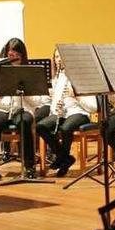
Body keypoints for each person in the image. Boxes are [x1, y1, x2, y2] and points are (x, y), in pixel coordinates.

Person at [0, 38, 41, 180]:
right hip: (1, 108)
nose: (13, 59)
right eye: (10, 56)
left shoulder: (28, 71)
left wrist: (24, 91)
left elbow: (37, 101)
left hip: (22, 108)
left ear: (22, 56)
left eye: (17, 57)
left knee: (26, 121)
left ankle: (30, 167)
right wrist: (4, 92)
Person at [36, 48, 97, 176]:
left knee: (65, 128)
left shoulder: (82, 77)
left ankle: (62, 160)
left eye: (62, 57)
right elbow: (51, 105)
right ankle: (65, 158)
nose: (59, 60)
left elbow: (93, 107)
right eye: (57, 57)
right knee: (41, 126)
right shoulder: (57, 78)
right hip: (62, 114)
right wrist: (54, 104)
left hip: (80, 114)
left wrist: (77, 96)